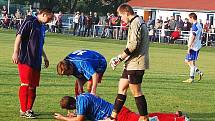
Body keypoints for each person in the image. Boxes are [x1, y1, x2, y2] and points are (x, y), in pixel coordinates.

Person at [108, 4, 149, 121]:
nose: (121, 19)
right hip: (130, 63)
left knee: (136, 91)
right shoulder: (136, 21)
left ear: (126, 13)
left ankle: (144, 117)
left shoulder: (136, 22)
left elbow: (133, 46)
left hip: (136, 63)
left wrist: (119, 58)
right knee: (121, 88)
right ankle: (113, 117)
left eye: (121, 16)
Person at [12, 8, 54, 119]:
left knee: (33, 86)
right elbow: (19, 36)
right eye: (49, 18)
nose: (50, 21)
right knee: (25, 84)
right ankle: (23, 110)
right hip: (26, 59)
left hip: (36, 61)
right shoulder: (30, 21)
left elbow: (40, 44)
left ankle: (29, 109)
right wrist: (15, 52)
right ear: (43, 14)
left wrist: (45, 57)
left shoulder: (42, 27)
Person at [54, 93, 189, 121]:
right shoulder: (82, 97)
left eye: (69, 109)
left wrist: (62, 118)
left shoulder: (81, 102)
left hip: (118, 115)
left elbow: (79, 120)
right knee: (145, 116)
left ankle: (181, 119)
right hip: (117, 113)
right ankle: (175, 115)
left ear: (71, 104)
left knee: (147, 119)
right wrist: (75, 114)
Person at [182, 13, 203, 83]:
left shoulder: (195, 26)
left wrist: (189, 47)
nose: (189, 20)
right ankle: (198, 72)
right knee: (187, 60)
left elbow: (193, 37)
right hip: (197, 45)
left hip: (194, 47)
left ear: (192, 18)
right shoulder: (199, 25)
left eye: (189, 18)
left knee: (191, 62)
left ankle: (191, 78)